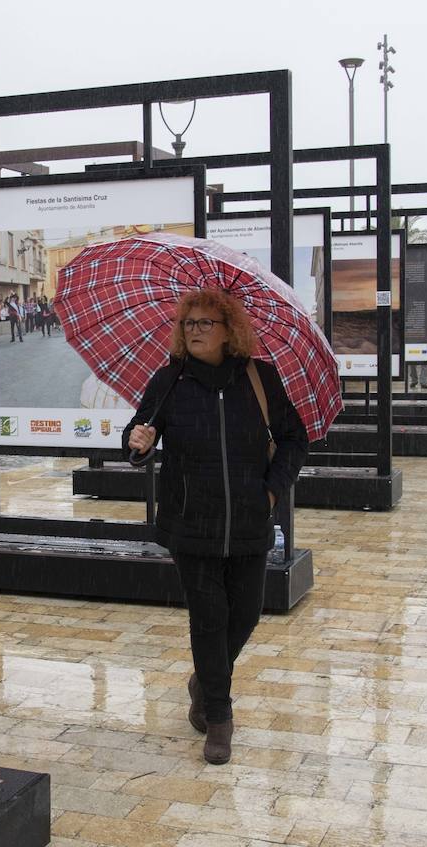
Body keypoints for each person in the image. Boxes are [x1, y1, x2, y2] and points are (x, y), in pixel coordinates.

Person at [123, 288, 308, 765]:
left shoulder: (259, 377)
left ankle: (204, 680)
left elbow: (293, 439)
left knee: (244, 614)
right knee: (208, 618)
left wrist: (270, 491)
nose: (196, 331)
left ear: (231, 331)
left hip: (248, 520)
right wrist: (138, 440)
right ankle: (219, 716)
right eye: (190, 324)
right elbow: (139, 434)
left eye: (207, 324)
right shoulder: (170, 380)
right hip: (190, 523)